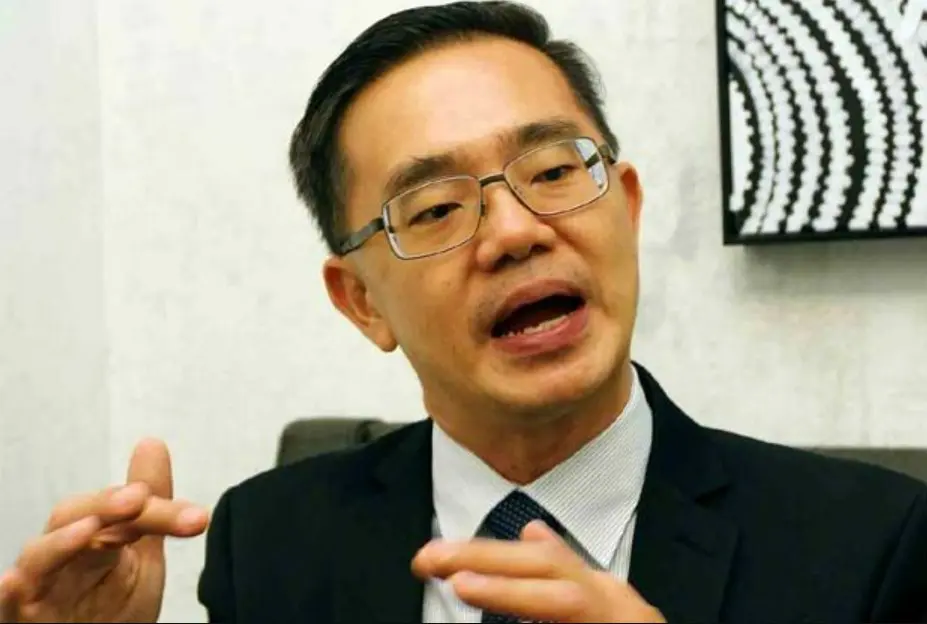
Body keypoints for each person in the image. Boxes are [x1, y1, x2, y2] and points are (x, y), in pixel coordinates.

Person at [2, 1, 926, 622]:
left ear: (627, 207)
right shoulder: (271, 544)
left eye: (554, 170)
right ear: (361, 302)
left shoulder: (871, 546)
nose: (515, 231)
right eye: (436, 208)